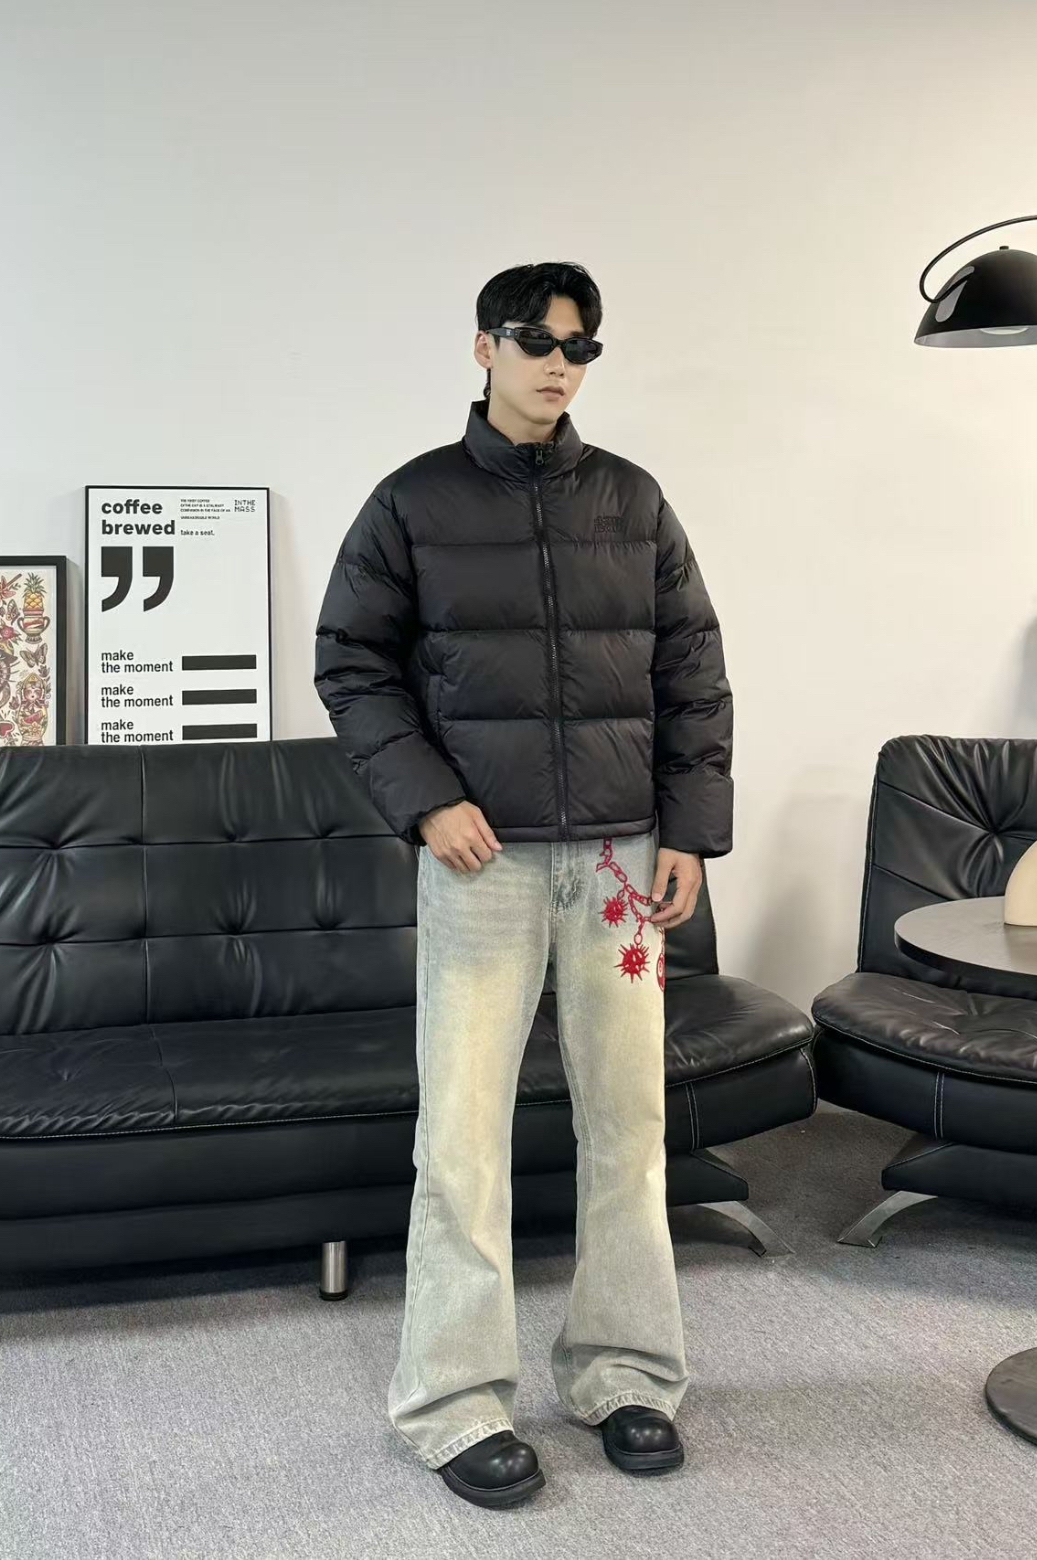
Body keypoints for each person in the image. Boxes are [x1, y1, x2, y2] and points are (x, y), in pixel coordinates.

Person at [313, 260, 733, 1509]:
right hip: (483, 860)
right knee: (461, 1139)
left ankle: (626, 1373)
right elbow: (351, 664)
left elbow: (693, 674)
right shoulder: (413, 501)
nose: (558, 363)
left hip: (617, 862)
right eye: (535, 340)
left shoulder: (633, 500)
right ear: (483, 348)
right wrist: (427, 799)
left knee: (629, 1126)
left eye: (579, 346)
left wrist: (689, 831)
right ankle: (454, 1403)